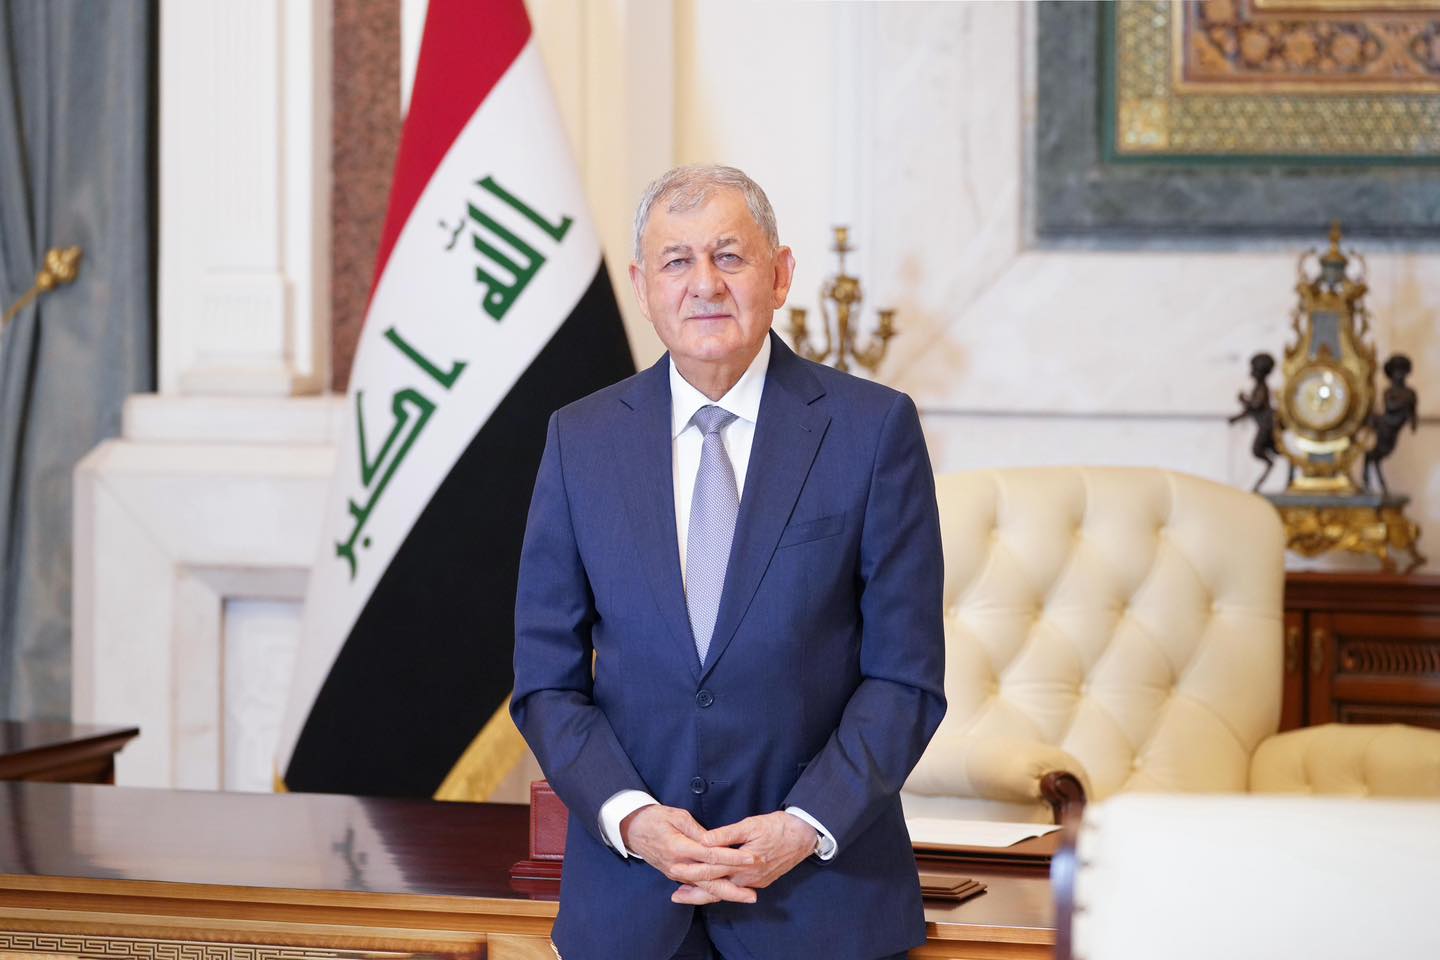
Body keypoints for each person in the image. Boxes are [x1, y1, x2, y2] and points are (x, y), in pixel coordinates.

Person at [511, 164, 946, 960]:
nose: (704, 284)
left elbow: (905, 678)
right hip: (633, 906)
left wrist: (805, 826)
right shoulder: (580, 441)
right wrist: (631, 819)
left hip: (822, 903)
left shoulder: (872, 430)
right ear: (643, 288)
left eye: (730, 256)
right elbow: (546, 681)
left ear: (780, 275)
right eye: (676, 261)